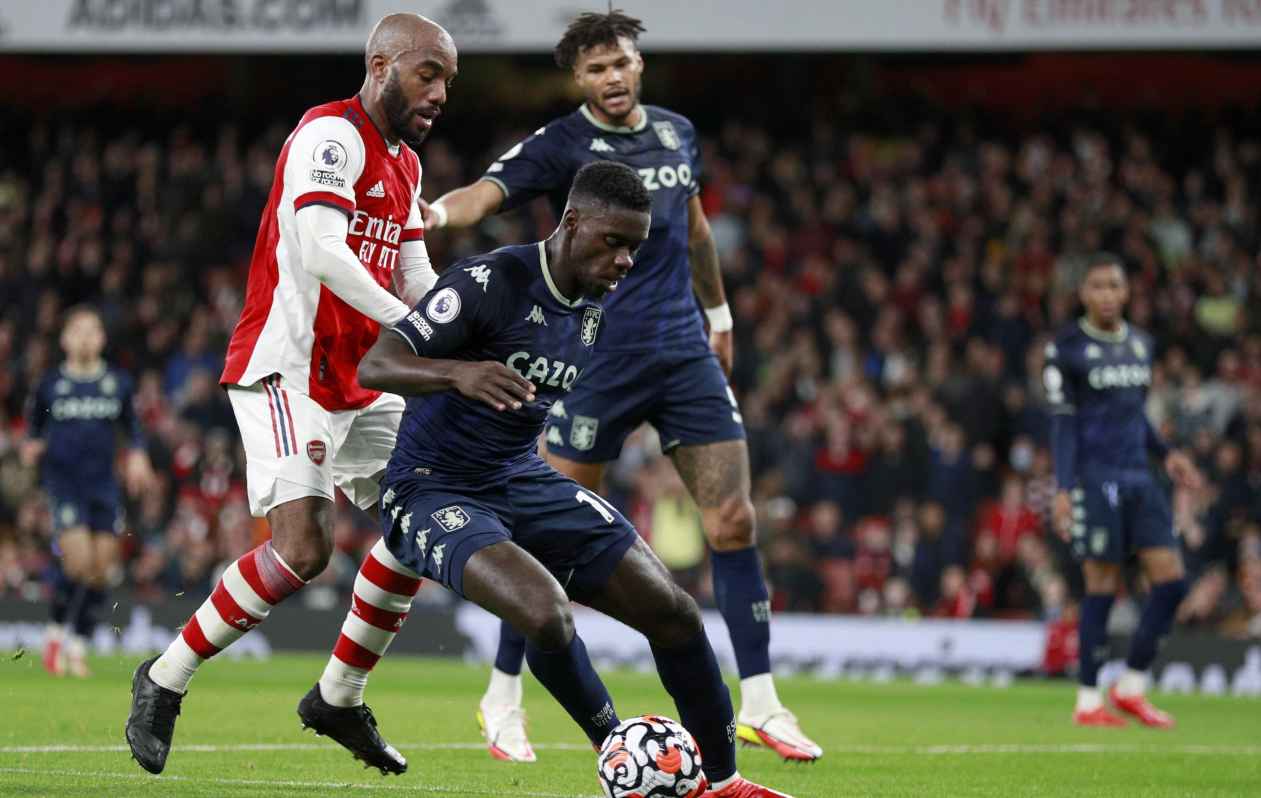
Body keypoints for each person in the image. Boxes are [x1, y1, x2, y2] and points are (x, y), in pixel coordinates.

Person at [300, 161, 792, 798]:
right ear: (571, 222)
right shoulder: (489, 281)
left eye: (634, 249)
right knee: (546, 614)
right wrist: (459, 373)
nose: (623, 261)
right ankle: (621, 752)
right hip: (430, 487)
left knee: (674, 612)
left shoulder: (591, 316)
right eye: (612, 242)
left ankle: (723, 784)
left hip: (517, 477)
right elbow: (379, 363)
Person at [417, 9, 820, 763]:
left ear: (640, 65)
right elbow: (489, 190)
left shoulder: (676, 132)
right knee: (542, 538)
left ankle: (762, 701)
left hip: (683, 351)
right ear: (579, 78)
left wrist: (721, 313)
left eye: (623, 63)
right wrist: (437, 212)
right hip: (594, 358)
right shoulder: (562, 144)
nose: (613, 77)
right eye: (597, 68)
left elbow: (696, 229)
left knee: (733, 520)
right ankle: (502, 697)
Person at [124, 12, 457, 775]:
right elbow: (319, 250)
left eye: (448, 80)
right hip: (288, 368)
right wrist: (415, 325)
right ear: (380, 65)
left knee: (428, 513)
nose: (440, 92)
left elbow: (415, 273)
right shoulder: (328, 137)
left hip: (361, 380)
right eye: (427, 72)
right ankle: (164, 677)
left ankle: (339, 694)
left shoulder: (405, 164)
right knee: (303, 549)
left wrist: (459, 325)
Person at [1045, 253, 1201, 728]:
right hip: (1096, 478)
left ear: (1127, 291)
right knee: (1102, 585)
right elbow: (1063, 425)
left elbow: (1134, 413)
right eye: (1097, 287)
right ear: (1083, 294)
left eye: (1115, 285)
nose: (1107, 295)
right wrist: (1064, 488)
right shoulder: (1067, 348)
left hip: (1140, 475)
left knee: (1172, 582)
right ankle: (1089, 700)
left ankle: (1130, 685)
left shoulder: (1141, 344)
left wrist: (1167, 452)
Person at [23, 306, 153, 678]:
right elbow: (33, 428)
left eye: (91, 330)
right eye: (76, 330)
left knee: (101, 569)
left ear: (101, 339)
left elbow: (133, 428)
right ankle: (53, 637)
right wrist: (32, 448)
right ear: (64, 339)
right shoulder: (50, 384)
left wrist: (139, 456)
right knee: (78, 562)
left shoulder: (118, 383)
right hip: (64, 485)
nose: (83, 337)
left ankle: (75, 646)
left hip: (104, 485)